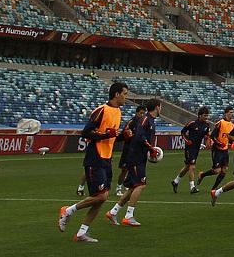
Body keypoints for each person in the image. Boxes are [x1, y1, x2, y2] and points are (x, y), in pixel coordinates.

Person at [56, 80, 127, 244]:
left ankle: (81, 233)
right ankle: (68, 210)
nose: (126, 97)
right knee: (101, 196)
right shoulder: (102, 110)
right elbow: (86, 132)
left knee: (101, 198)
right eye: (124, 94)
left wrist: (123, 136)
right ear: (116, 94)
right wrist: (106, 135)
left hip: (107, 159)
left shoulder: (118, 112)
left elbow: (111, 137)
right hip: (95, 158)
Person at [107, 98, 160, 227]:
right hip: (136, 157)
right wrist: (151, 148)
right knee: (141, 184)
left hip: (139, 157)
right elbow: (140, 136)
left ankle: (113, 212)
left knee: (132, 187)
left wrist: (149, 149)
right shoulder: (146, 119)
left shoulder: (149, 120)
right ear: (157, 107)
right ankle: (129, 216)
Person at [195, 106, 234, 190]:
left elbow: (230, 137)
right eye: (230, 112)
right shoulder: (220, 123)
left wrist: (231, 142)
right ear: (226, 113)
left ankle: (213, 189)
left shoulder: (232, 125)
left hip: (225, 150)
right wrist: (219, 143)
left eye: (233, 112)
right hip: (217, 149)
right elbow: (213, 135)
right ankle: (202, 175)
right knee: (216, 171)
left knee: (224, 170)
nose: (232, 114)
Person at [173, 106, 212, 194]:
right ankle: (192, 187)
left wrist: (208, 139)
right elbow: (183, 132)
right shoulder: (192, 123)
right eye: (205, 115)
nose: (206, 117)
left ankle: (175, 181)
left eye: (207, 116)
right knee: (192, 166)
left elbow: (207, 134)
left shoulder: (206, 125)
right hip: (190, 148)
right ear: (200, 115)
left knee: (187, 166)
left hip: (197, 148)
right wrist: (187, 141)